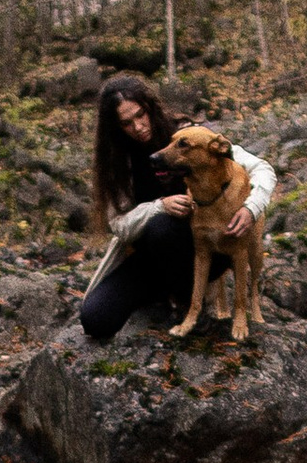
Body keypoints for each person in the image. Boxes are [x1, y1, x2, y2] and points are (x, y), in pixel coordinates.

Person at [78, 70, 276, 339]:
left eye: (140, 115)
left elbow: (262, 169)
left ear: (149, 107)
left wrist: (251, 209)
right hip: (148, 259)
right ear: (115, 127)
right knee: (95, 319)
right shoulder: (117, 162)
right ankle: (159, 296)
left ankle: (187, 302)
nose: (138, 127)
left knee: (164, 229)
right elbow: (120, 225)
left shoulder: (186, 135)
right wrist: (159, 205)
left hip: (203, 250)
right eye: (126, 123)